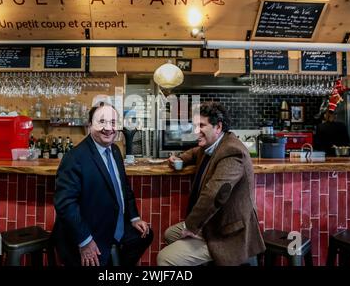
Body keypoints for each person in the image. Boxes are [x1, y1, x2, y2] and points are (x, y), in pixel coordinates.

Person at [157, 101, 265, 266]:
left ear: (218, 127)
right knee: (170, 234)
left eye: (201, 125)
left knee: (164, 258)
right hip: (212, 222)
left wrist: (191, 226)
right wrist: (180, 158)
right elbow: (194, 152)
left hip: (228, 231)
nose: (196, 131)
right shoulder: (212, 146)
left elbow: (214, 194)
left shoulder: (232, 151)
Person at [53, 102, 153, 266]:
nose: (108, 128)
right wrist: (85, 241)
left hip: (113, 224)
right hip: (90, 232)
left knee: (145, 235)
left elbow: (124, 188)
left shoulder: (115, 151)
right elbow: (65, 204)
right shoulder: (74, 158)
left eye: (113, 123)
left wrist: (134, 218)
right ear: (90, 125)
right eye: (102, 122)